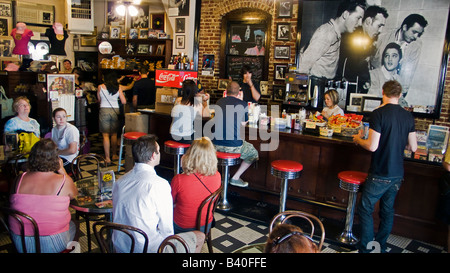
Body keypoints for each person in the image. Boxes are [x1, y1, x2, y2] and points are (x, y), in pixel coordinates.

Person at [352, 80, 417, 253]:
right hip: (397, 173)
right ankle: (380, 246)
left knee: (365, 208)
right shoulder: (408, 116)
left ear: (383, 92)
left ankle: (366, 248)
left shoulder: (378, 114)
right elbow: (414, 147)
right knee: (387, 210)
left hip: (380, 171)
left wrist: (358, 139)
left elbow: (372, 146)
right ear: (400, 95)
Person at [112, 134, 205, 253]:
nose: (160, 154)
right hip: (147, 248)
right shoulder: (160, 185)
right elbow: (166, 229)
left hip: (120, 246)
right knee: (200, 236)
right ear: (152, 156)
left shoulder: (119, 182)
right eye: (159, 151)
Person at [9, 138, 78, 253]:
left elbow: (12, 201)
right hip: (52, 244)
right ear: (57, 159)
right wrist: (62, 171)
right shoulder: (63, 181)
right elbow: (74, 195)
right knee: (74, 225)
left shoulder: (19, 179)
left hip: (20, 242)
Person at [298, 0, 366, 80]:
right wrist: (305, 89)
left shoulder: (335, 34)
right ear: (345, 14)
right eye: (358, 18)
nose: (360, 24)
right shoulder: (327, 33)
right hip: (316, 87)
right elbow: (303, 66)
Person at [212, 81, 259, 188]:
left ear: (225, 92)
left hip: (214, 146)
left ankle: (221, 176)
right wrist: (241, 100)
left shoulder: (219, 101)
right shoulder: (242, 104)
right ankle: (235, 177)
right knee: (253, 154)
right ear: (239, 93)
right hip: (233, 146)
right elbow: (243, 124)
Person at [171, 137, 221, 234]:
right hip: (206, 224)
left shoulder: (179, 179)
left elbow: (170, 202)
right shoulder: (217, 176)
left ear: (190, 154)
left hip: (181, 226)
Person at [371, 13, 428, 95]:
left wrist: (402, 94)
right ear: (404, 27)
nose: (416, 37)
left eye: (419, 34)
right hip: (375, 86)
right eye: (414, 32)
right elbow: (371, 61)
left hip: (394, 91)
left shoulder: (416, 45)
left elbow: (408, 74)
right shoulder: (383, 37)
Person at [336, 5, 389, 93]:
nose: (380, 31)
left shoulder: (368, 40)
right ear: (368, 21)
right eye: (379, 26)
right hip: (344, 90)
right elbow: (357, 64)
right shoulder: (353, 37)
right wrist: (366, 79)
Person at [97, 72, 127, 164]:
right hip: (115, 110)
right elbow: (124, 101)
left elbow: (99, 100)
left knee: (105, 135)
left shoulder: (100, 87)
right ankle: (114, 154)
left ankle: (107, 158)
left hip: (104, 111)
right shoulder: (118, 87)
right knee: (114, 134)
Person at [170, 79, 210, 143]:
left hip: (172, 135)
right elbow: (207, 116)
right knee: (202, 137)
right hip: (186, 137)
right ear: (195, 90)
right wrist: (205, 101)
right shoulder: (196, 104)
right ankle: (193, 152)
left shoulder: (178, 100)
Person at [51, 108, 79, 174]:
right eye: (58, 117)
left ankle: (63, 182)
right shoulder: (54, 130)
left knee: (48, 169)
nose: (61, 119)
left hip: (69, 159)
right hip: (58, 157)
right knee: (41, 165)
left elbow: (72, 150)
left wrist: (57, 153)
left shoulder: (71, 130)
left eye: (64, 116)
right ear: (54, 118)